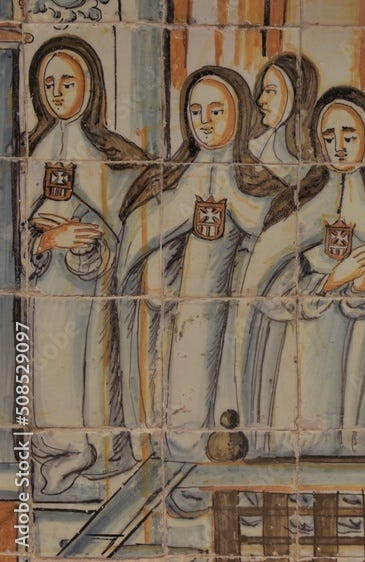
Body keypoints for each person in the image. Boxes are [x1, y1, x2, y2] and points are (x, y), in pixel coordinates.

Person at [118, 67, 290, 469]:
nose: (205, 121)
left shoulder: (260, 184)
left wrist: (235, 199)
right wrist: (156, 269)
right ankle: (178, 472)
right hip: (180, 315)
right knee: (180, 396)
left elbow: (276, 238)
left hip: (231, 318)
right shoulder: (175, 181)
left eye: (217, 110)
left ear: (240, 114)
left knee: (224, 404)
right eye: (196, 112)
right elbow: (142, 234)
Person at [237, 86, 365, 456]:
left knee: (353, 439)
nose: (339, 146)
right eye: (329, 136)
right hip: (300, 348)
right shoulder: (295, 205)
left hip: (361, 350)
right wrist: (332, 279)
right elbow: (268, 289)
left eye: (350, 135)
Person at [25, 35, 148, 496]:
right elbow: (10, 232)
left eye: (68, 81)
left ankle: (86, 452)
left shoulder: (112, 155)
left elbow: (131, 227)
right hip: (42, 294)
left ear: (90, 86)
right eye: (48, 83)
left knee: (89, 373)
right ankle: (54, 453)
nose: (57, 92)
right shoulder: (27, 152)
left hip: (91, 297)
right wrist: (45, 237)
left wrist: (89, 240)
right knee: (45, 373)